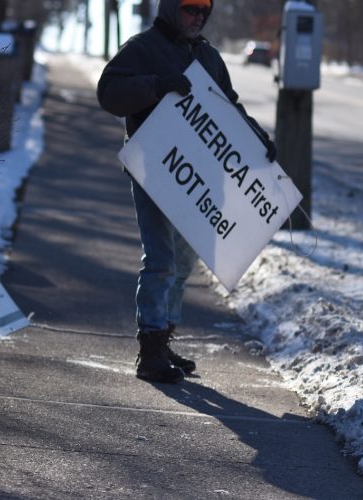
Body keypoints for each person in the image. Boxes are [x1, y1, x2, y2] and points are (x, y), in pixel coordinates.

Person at [97, 0, 276, 384]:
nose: (196, 18)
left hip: (196, 175)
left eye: (202, 12)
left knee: (182, 261)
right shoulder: (143, 47)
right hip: (152, 168)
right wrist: (156, 86)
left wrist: (256, 138)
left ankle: (164, 338)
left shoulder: (208, 56)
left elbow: (228, 107)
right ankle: (149, 352)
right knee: (160, 258)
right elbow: (109, 91)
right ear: (171, 9)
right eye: (189, 10)